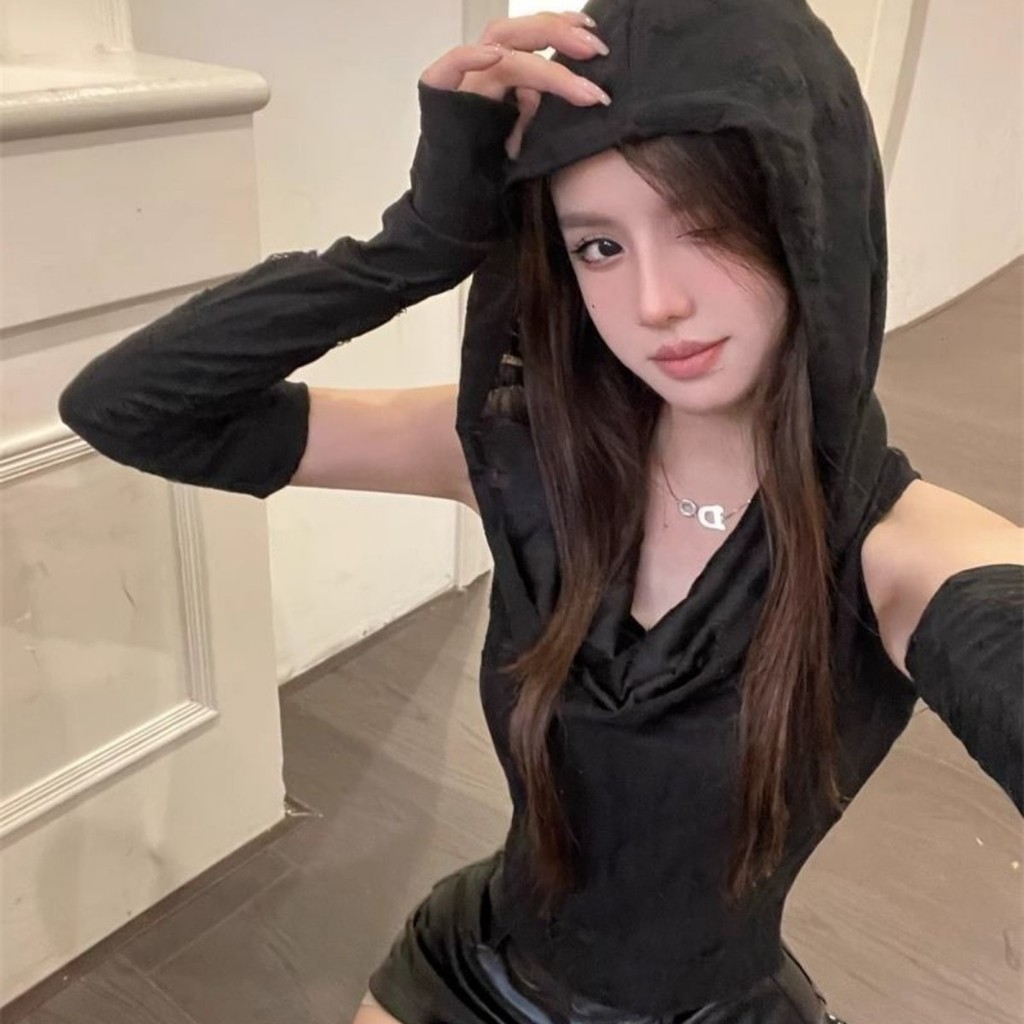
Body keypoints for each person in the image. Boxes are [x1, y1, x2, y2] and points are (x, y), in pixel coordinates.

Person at [58, 1, 1022, 1022]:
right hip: (467, 962)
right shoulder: (528, 454)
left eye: (709, 225)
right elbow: (129, 408)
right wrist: (419, 241)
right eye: (599, 246)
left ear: (808, 213)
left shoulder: (900, 555)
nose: (655, 300)